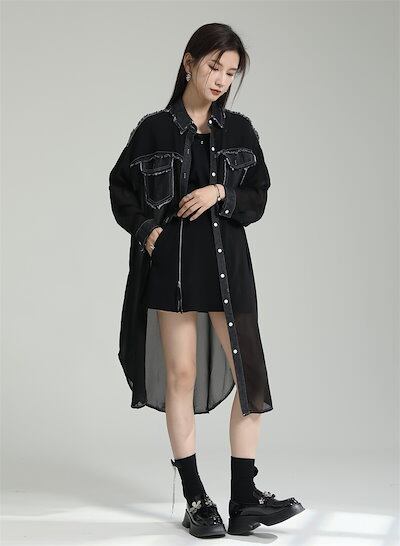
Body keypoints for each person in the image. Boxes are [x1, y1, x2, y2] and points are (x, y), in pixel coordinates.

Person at [109, 22, 304, 539]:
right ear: (189, 61)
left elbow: (258, 196)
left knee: (251, 379)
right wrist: (147, 232)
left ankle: (244, 498)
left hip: (227, 267)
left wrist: (222, 193)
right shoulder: (153, 129)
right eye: (214, 66)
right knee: (181, 376)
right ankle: (196, 498)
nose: (220, 79)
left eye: (231, 72)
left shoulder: (240, 131)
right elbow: (119, 187)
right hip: (173, 270)